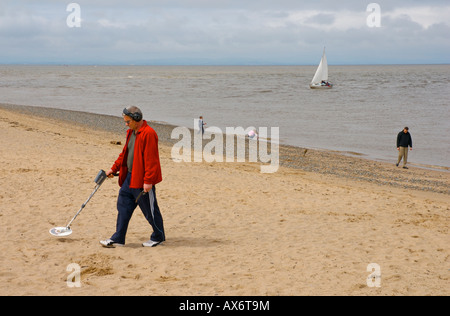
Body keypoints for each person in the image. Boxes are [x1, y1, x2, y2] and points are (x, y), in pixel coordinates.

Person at [100, 106, 165, 248]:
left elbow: (151, 160)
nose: (126, 124)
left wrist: (148, 182)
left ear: (136, 119)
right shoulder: (131, 132)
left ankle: (158, 236)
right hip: (129, 178)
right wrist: (113, 168)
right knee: (123, 207)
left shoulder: (149, 134)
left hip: (142, 181)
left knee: (150, 212)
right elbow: (124, 154)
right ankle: (118, 238)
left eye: (128, 121)